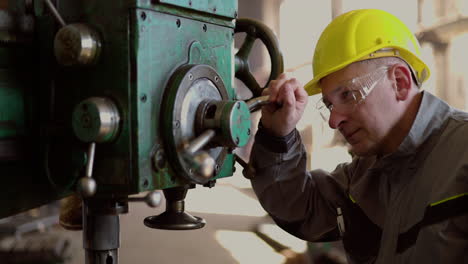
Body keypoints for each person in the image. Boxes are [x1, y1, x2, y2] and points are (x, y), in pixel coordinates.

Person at [245, 9, 468, 264]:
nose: (333, 120)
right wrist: (278, 137)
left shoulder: (462, 157)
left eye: (348, 95)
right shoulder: (366, 174)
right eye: (329, 105)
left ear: (400, 82)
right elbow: (301, 207)